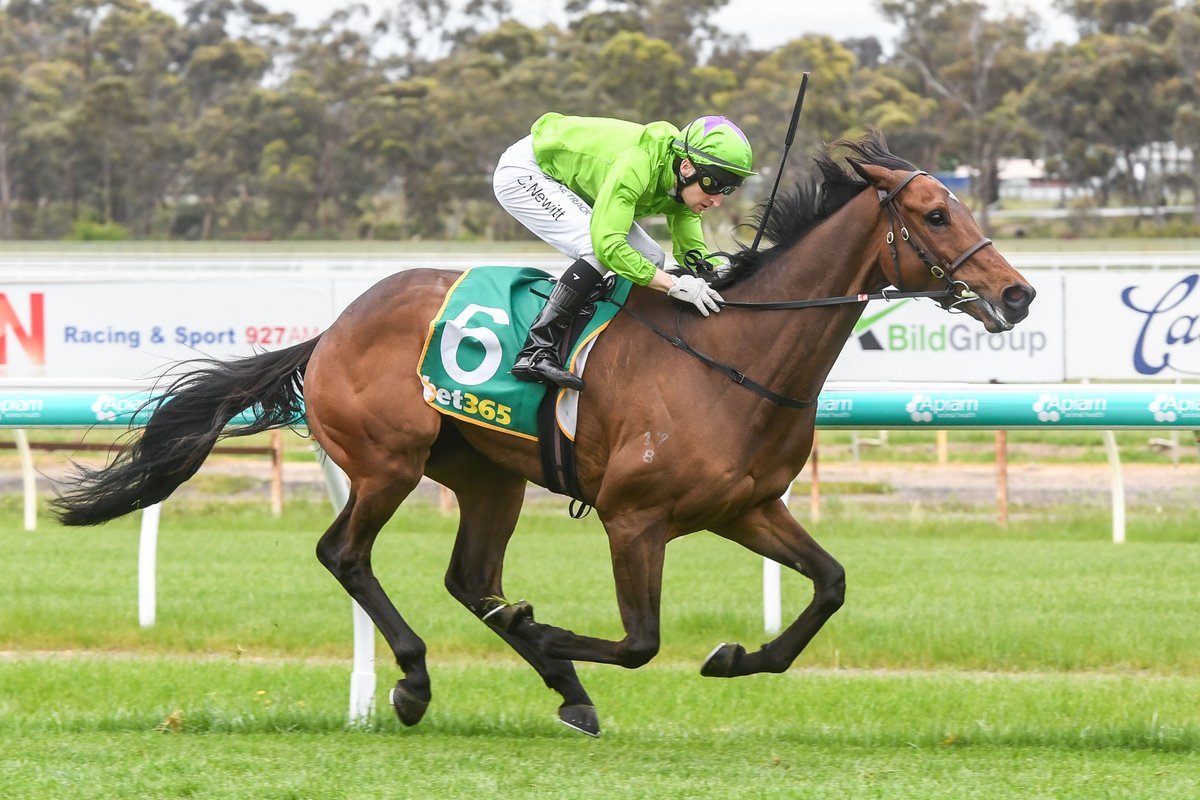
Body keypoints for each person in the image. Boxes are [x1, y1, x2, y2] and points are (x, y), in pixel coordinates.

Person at [492, 112, 755, 392]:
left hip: (573, 181)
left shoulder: (681, 182)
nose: (717, 200)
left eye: (727, 188)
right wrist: (673, 283)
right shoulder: (638, 163)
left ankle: (603, 340)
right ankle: (536, 351)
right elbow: (609, 245)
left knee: (652, 258)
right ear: (687, 167)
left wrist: (715, 272)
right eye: (714, 185)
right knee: (595, 248)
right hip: (529, 171)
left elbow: (690, 248)